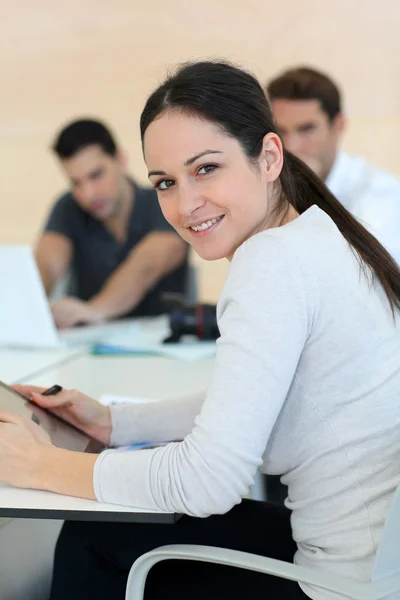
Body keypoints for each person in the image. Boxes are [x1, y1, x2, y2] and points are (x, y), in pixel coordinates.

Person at [1, 60, 400, 600]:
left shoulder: (271, 263)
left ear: (269, 157)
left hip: (335, 586)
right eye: (165, 182)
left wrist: (43, 464)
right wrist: (113, 424)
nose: (185, 204)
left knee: (90, 537)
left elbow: (206, 481)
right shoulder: (320, 233)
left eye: (206, 168)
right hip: (374, 566)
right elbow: (256, 398)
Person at [36, 118, 188, 329]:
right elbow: (46, 266)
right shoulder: (68, 207)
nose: (88, 193)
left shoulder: (162, 201)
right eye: (76, 182)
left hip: (165, 343)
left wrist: (94, 311)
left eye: (96, 175)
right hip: (90, 348)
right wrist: (27, 302)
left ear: (120, 160)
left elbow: (146, 267)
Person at [267, 67, 400, 264]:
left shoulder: (382, 194)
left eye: (306, 129)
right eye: (280, 130)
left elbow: (365, 280)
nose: (291, 147)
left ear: (338, 125)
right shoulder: (270, 188)